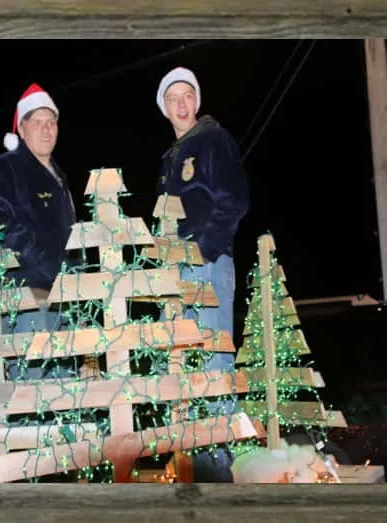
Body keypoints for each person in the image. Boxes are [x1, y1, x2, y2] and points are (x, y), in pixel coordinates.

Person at [156, 66, 250, 481]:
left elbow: (235, 201)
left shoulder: (213, 140)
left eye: (187, 95)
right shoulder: (168, 158)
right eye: (172, 97)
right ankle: (191, 459)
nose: (181, 104)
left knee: (213, 360)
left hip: (207, 265)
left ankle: (221, 467)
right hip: (174, 272)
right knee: (179, 362)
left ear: (197, 101)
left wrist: (204, 250)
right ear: (164, 107)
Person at [0, 83, 80, 381]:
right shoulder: (7, 168)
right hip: (29, 297)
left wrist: (76, 275)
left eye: (51, 122)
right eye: (37, 123)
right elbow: (0, 224)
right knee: (35, 391)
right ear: (21, 130)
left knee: (65, 388)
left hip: (65, 299)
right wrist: (44, 265)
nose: (46, 130)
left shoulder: (59, 176)